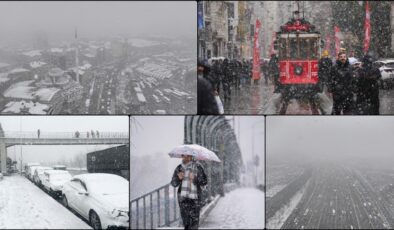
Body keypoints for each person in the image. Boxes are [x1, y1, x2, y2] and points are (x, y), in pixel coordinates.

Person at [171, 155, 207, 229]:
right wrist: (178, 178)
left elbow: (204, 182)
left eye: (187, 156)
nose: (185, 158)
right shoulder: (179, 168)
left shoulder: (198, 167)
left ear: (191, 157)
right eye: (183, 156)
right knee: (186, 223)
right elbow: (173, 184)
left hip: (195, 199)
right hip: (183, 200)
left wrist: (195, 178)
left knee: (194, 224)